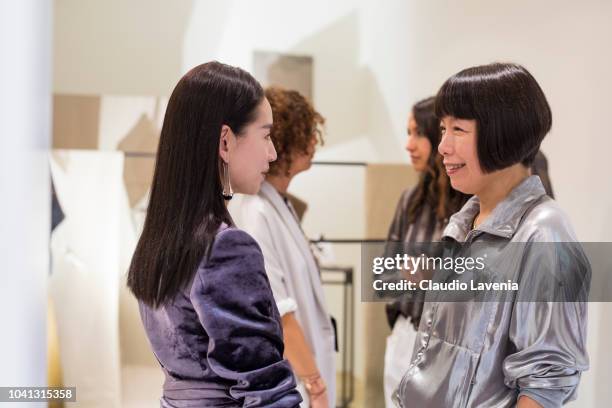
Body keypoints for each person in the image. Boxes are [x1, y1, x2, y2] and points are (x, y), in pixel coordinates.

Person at [394, 63, 590, 408]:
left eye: (458, 129)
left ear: (504, 132)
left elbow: (546, 383)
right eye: (442, 129)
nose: (443, 146)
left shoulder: (545, 232)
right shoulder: (464, 222)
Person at [127, 62, 302, 408]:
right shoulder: (224, 247)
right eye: (266, 136)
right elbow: (266, 391)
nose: (273, 153)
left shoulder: (158, 241)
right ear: (225, 141)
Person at [233, 87, 336, 408]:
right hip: (290, 380)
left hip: (300, 371)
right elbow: (278, 310)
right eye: (307, 132)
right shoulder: (255, 209)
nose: (314, 142)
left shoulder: (279, 205)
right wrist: (315, 385)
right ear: (285, 139)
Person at [382, 97, 469, 407]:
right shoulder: (411, 200)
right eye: (408, 133)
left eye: (418, 133)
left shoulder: (470, 204)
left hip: (449, 346)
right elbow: (384, 273)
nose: (409, 144)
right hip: (406, 335)